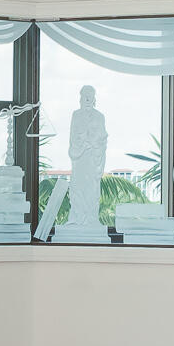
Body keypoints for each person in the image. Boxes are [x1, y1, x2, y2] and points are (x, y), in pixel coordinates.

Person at [66, 85, 108, 241]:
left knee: (91, 187)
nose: (88, 99)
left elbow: (103, 138)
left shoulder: (100, 116)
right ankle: (77, 217)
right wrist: (81, 142)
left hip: (92, 157)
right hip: (79, 158)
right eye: (85, 96)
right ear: (81, 98)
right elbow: (72, 138)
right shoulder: (75, 115)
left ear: (94, 98)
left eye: (91, 96)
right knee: (77, 185)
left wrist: (95, 143)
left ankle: (90, 218)